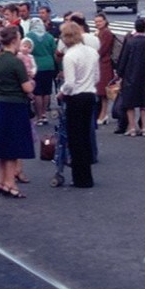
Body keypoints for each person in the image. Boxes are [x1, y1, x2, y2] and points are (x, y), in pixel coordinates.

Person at [0, 26, 36, 198]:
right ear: (14, 40)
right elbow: (26, 87)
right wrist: (32, 83)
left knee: (2, 147)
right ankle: (11, 184)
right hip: (16, 105)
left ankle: (1, 181)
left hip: (1, 103)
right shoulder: (16, 62)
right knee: (14, 148)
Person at [59, 21, 99, 188]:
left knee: (75, 138)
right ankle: (87, 175)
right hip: (90, 95)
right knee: (86, 135)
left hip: (76, 97)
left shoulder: (69, 56)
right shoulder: (92, 52)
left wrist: (61, 92)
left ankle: (79, 177)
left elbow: (69, 83)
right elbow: (97, 77)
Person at [116, 17, 145, 136]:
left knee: (129, 103)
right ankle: (144, 128)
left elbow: (123, 58)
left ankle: (132, 128)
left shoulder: (130, 42)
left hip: (130, 75)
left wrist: (120, 72)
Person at [28, 16, 57, 125]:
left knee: (37, 92)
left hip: (35, 65)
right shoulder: (49, 37)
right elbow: (54, 51)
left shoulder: (29, 36)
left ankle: (39, 115)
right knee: (47, 91)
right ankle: (44, 114)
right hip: (49, 64)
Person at [93, 13, 116, 125]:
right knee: (101, 91)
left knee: (103, 92)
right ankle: (102, 114)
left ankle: (103, 114)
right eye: (96, 22)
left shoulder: (106, 33)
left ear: (105, 21)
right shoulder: (100, 32)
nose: (98, 24)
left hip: (104, 64)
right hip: (100, 63)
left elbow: (102, 49)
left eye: (100, 21)